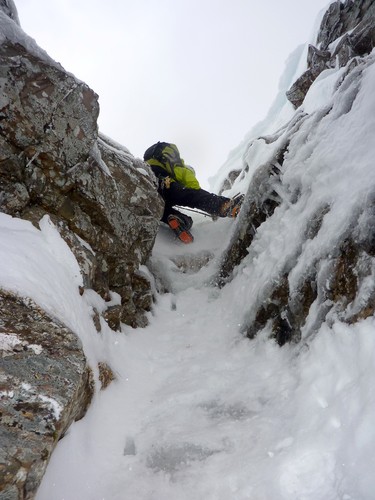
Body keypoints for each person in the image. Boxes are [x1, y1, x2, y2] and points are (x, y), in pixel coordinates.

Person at [144, 142, 243, 243]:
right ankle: (224, 205)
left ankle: (180, 220)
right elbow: (194, 189)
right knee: (190, 195)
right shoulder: (182, 167)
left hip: (149, 193)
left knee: (164, 211)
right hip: (165, 184)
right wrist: (197, 194)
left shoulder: (150, 165)